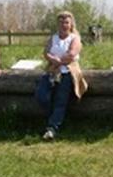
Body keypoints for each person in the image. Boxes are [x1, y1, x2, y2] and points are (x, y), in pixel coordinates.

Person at [35, 11, 88, 141]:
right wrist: (54, 61)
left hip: (68, 71)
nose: (64, 25)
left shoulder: (74, 38)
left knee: (61, 100)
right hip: (52, 71)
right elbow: (46, 52)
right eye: (61, 22)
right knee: (41, 95)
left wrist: (58, 61)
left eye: (66, 22)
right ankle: (52, 117)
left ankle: (52, 128)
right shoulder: (53, 38)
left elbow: (71, 54)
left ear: (71, 24)